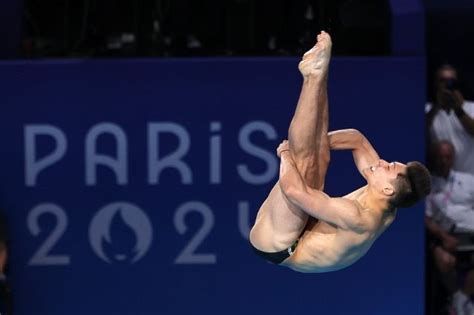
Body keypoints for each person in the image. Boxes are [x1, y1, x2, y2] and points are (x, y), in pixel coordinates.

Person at [249, 31, 431, 273]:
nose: (383, 162)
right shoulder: (388, 198)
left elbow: (293, 190)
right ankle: (319, 73)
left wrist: (286, 154)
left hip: (280, 245)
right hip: (308, 225)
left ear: (388, 188)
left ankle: (312, 77)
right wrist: (314, 141)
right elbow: (356, 139)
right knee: (317, 156)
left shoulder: (358, 216)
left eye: (388, 167)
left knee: (304, 164)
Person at [425, 64, 474, 175]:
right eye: (442, 80)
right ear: (436, 84)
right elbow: (420, 132)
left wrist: (458, 109)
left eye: (451, 81)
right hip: (439, 183)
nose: (447, 84)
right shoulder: (427, 110)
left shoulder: (472, 108)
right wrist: (437, 105)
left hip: (470, 179)